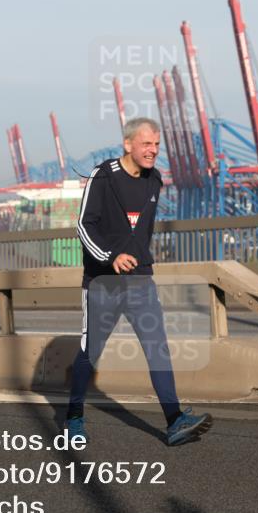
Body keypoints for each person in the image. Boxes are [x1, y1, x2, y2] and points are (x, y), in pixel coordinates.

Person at [65, 117, 212, 446]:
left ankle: (175, 421)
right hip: (104, 283)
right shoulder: (103, 177)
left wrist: (139, 259)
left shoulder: (155, 180)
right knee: (91, 351)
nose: (153, 151)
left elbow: (138, 231)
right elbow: (84, 226)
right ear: (128, 144)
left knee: (157, 348)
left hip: (141, 283)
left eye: (157, 145)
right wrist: (110, 257)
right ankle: (74, 416)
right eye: (147, 144)